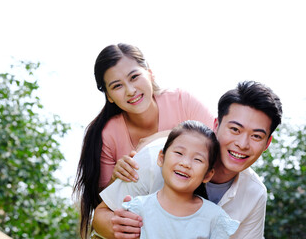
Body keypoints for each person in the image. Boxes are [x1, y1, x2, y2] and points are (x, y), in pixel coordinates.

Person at [92, 80, 282, 239]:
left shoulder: (254, 193)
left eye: (256, 136)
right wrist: (119, 227)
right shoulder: (157, 157)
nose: (242, 144)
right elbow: (99, 217)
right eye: (235, 129)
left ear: (267, 143)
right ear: (216, 124)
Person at [73, 43, 214, 238]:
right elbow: (104, 207)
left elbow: (216, 144)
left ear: (150, 73)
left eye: (134, 77)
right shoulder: (108, 134)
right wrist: (116, 178)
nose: (130, 90)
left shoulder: (182, 102)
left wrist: (157, 139)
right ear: (109, 96)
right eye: (117, 86)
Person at [122, 120, 240, 238]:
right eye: (179, 153)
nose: (185, 163)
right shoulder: (139, 208)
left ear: (208, 175)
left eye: (198, 159)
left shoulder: (214, 218)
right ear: (161, 158)